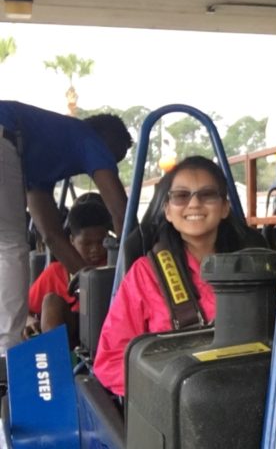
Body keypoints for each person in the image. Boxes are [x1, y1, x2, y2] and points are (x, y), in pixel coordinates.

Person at [93, 155, 243, 396]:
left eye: (207, 194)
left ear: (224, 207)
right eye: (181, 196)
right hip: (178, 408)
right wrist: (171, 392)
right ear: (168, 211)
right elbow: (110, 361)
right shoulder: (145, 274)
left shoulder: (252, 268)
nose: (194, 204)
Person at [0, 101, 132, 355]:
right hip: (3, 133)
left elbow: (52, 235)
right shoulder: (88, 137)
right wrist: (136, 274)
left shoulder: (38, 166)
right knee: (9, 245)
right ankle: (6, 353)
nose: (110, 164)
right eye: (114, 157)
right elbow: (120, 212)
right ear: (108, 139)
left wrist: (91, 282)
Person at [26, 199, 112, 345]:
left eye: (100, 242)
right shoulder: (56, 272)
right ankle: (54, 359)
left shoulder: (113, 268)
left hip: (105, 329)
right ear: (71, 240)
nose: (95, 249)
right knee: (51, 301)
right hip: (68, 333)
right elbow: (26, 310)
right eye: (87, 244)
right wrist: (30, 320)